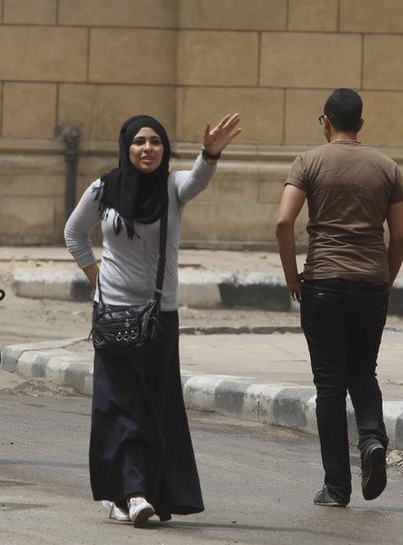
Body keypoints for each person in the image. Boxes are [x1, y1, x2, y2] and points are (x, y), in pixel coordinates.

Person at [64, 113, 241, 526]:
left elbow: (197, 180)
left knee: (154, 407)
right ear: (126, 147)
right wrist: (98, 280)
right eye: (140, 142)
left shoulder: (173, 187)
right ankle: (134, 492)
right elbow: (74, 233)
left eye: (155, 142)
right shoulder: (104, 188)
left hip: (159, 318)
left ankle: (141, 491)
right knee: (121, 406)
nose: (148, 149)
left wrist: (210, 154)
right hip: (113, 316)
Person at [276, 89, 403, 507]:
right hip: (371, 283)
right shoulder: (387, 167)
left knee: (330, 386)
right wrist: (384, 280)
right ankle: (372, 439)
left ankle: (336, 487)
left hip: (323, 282)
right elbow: (401, 236)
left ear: (325, 122)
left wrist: (292, 277)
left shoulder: (308, 161)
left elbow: (283, 222)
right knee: (363, 373)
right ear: (361, 123)